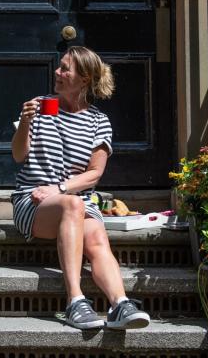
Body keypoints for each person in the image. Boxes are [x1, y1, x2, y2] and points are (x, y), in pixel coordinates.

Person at [11, 46, 151, 330]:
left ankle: (120, 304)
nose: (57, 72)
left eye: (65, 69)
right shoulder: (40, 106)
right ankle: (75, 301)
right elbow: (18, 155)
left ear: (84, 79)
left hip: (69, 199)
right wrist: (24, 122)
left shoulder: (98, 121)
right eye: (59, 66)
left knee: (97, 235)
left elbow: (94, 174)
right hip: (33, 202)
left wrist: (59, 188)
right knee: (73, 204)